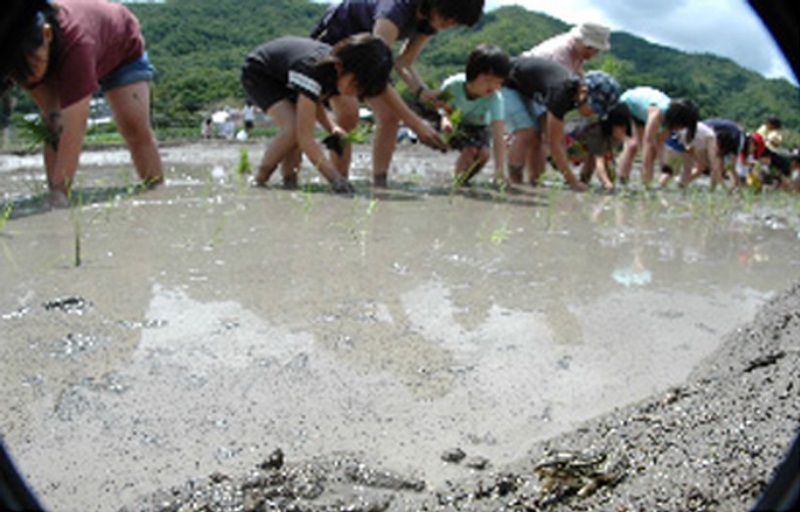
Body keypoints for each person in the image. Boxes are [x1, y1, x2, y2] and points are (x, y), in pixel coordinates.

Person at [1, 0, 163, 208]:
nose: (30, 77)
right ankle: (56, 193)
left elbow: (74, 129)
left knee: (134, 128)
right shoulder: (15, 55)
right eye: (19, 74)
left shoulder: (77, 42)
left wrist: (60, 193)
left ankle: (156, 189)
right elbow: (56, 121)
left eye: (33, 65)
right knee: (53, 123)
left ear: (47, 34)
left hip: (120, 49)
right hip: (54, 56)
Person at [310, 0, 484, 186]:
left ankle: (380, 182)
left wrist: (421, 91)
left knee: (390, 116)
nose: (449, 23)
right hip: (336, 45)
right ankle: (339, 181)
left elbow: (404, 61)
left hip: (369, 58)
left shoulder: (429, 20)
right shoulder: (394, 10)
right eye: (449, 15)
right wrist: (416, 124)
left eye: (456, 22)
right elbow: (375, 69)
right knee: (348, 113)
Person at [240, 33, 393, 193]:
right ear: (340, 66)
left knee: (296, 131)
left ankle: (289, 183)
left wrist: (332, 127)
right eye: (354, 84)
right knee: (292, 128)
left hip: (286, 76)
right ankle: (259, 179)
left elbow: (314, 101)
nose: (354, 93)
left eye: (361, 90)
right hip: (260, 74)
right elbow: (305, 137)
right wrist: (335, 179)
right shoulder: (314, 69)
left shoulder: (333, 72)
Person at [501, 57, 621, 190]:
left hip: (525, 89)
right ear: (583, 92)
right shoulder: (561, 93)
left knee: (537, 137)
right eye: (594, 108)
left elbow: (551, 137)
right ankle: (514, 183)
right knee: (526, 132)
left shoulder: (572, 93)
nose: (593, 114)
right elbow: (555, 145)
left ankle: (535, 182)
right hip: (506, 82)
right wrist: (573, 182)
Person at [438, 44, 510, 186]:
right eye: (488, 80)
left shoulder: (495, 98)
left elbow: (497, 134)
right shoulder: (453, 85)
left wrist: (500, 171)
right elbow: (442, 107)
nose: (493, 87)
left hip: (479, 126)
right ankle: (456, 183)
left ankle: (462, 181)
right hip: (455, 122)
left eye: (499, 82)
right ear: (472, 72)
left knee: (484, 154)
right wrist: (445, 120)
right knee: (470, 150)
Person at [616, 87, 699, 187]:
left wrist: (663, 164)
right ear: (678, 119)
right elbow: (648, 142)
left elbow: (659, 142)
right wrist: (647, 175)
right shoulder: (657, 113)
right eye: (683, 125)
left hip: (640, 114)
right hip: (627, 103)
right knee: (632, 145)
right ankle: (622, 180)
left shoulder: (671, 121)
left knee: (650, 150)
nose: (682, 129)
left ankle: (642, 182)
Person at [572, 102, 632, 192]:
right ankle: (580, 181)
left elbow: (607, 158)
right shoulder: (597, 133)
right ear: (612, 125)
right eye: (621, 128)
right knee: (594, 156)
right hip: (569, 149)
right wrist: (607, 184)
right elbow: (599, 161)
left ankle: (583, 181)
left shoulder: (610, 136)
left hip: (583, 148)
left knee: (595, 157)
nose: (623, 132)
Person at [658, 120, 728, 192]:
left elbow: (692, 149)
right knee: (681, 167)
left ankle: (664, 185)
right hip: (679, 140)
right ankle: (670, 185)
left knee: (677, 166)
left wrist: (699, 161)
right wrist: (725, 189)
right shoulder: (711, 137)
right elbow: (714, 166)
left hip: (674, 138)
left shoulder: (704, 133)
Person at [521, 22, 611, 77]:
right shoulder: (561, 54)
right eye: (589, 48)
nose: (591, 53)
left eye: (596, 50)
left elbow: (578, 72)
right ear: (577, 39)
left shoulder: (579, 50)